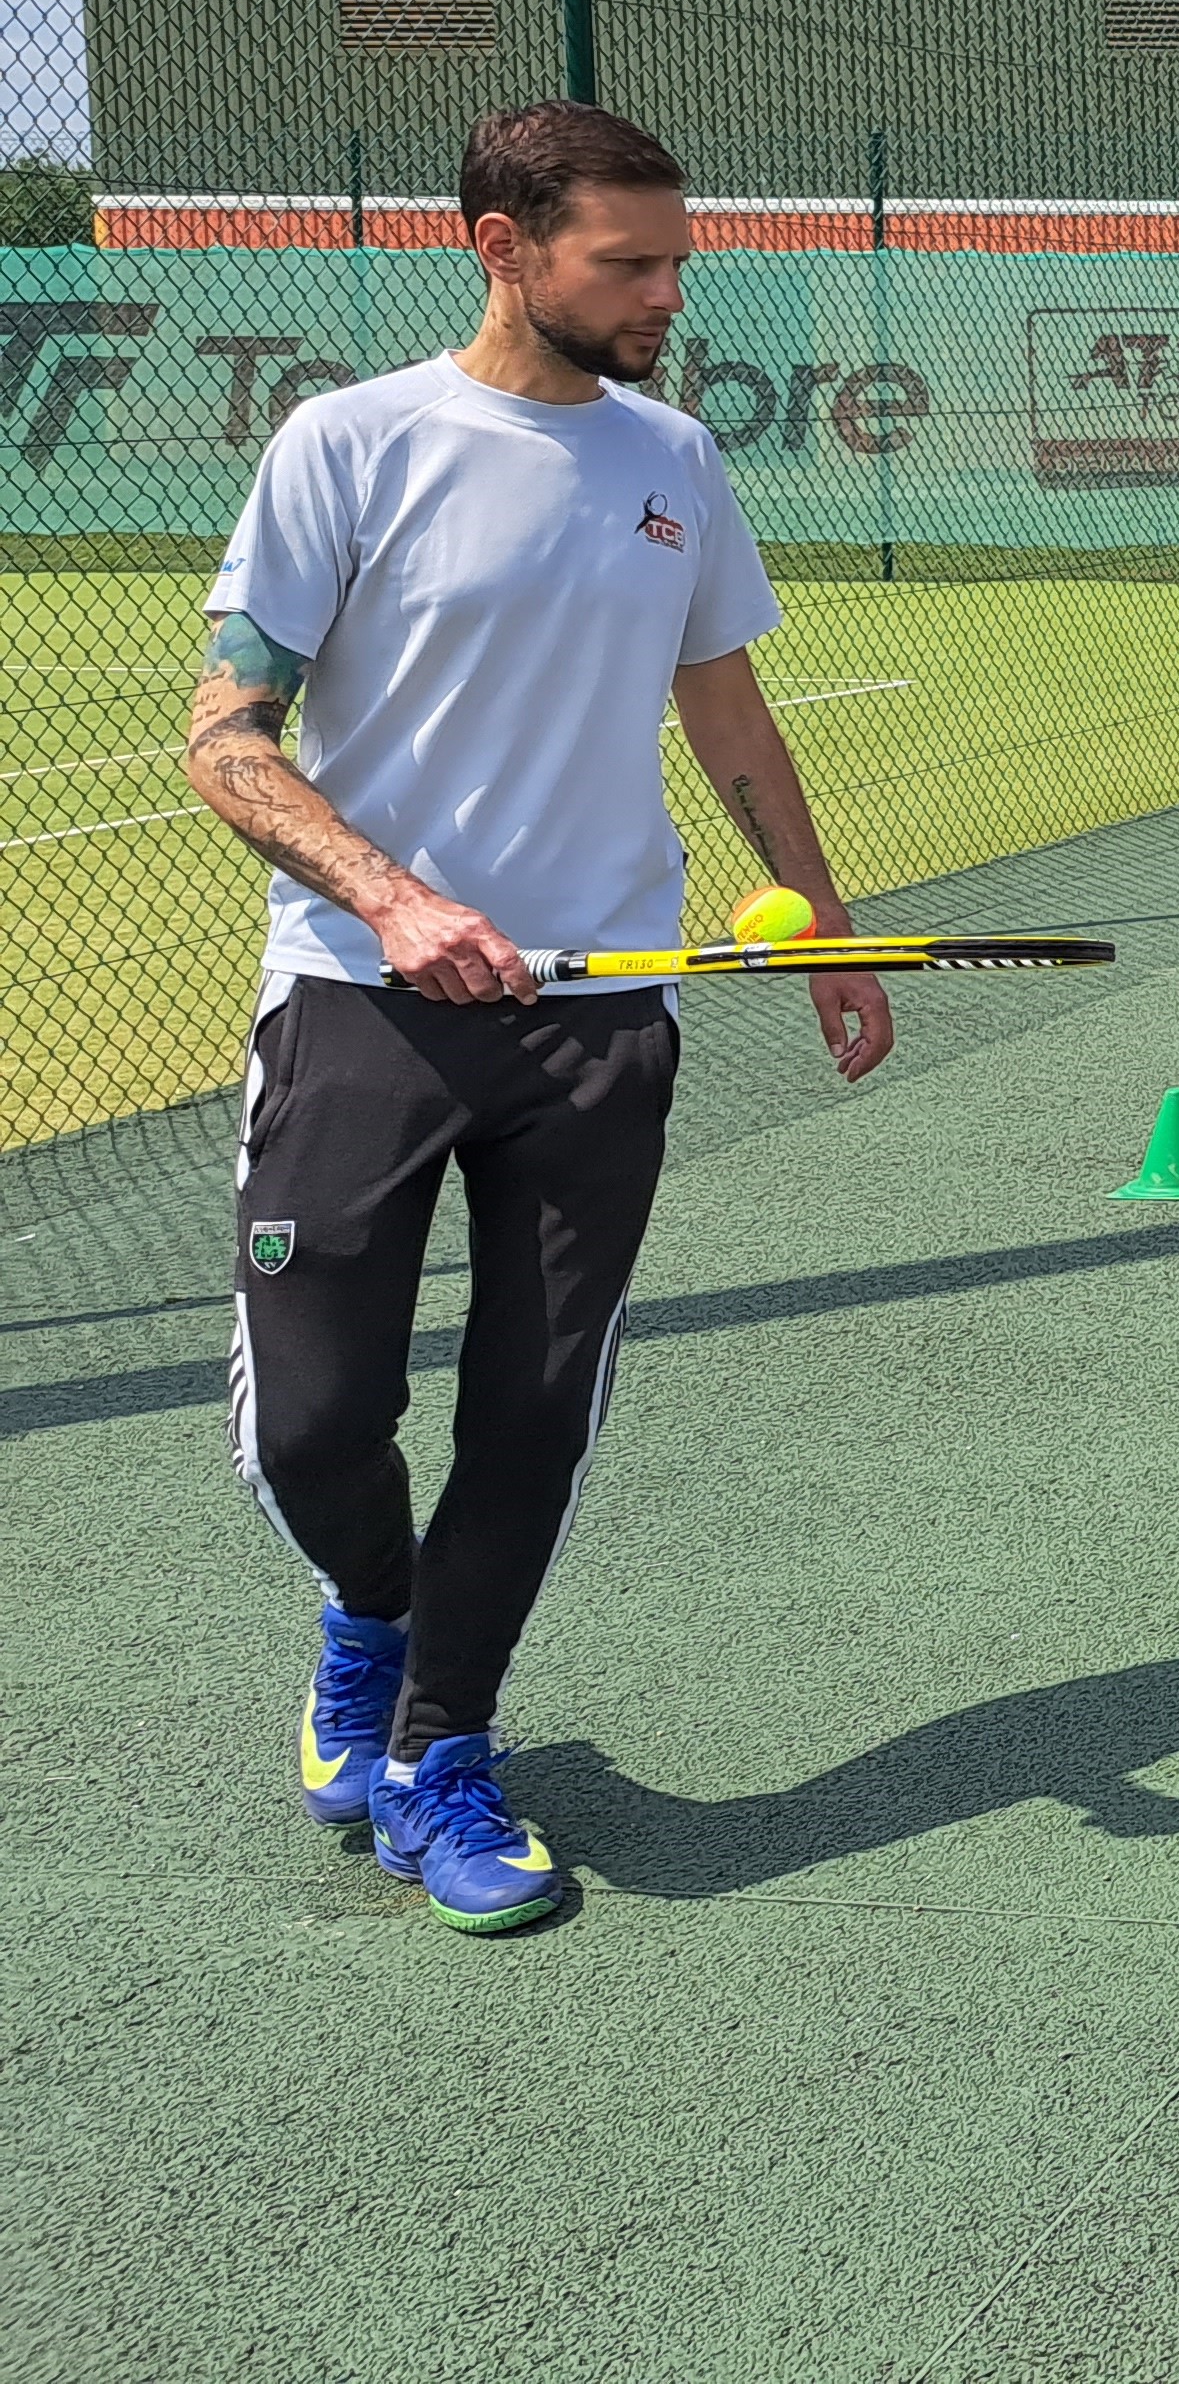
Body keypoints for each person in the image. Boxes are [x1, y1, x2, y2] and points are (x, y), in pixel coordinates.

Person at [189, 101, 889, 1933]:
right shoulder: (347, 444)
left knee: (532, 1406)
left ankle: (440, 1747)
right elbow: (225, 737)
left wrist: (823, 927)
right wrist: (396, 898)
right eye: (627, 261)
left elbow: (728, 715)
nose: (668, 292)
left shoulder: (671, 457)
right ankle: (370, 1615)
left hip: (604, 1019)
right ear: (501, 246)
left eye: (676, 259)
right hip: (363, 1003)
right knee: (314, 1426)